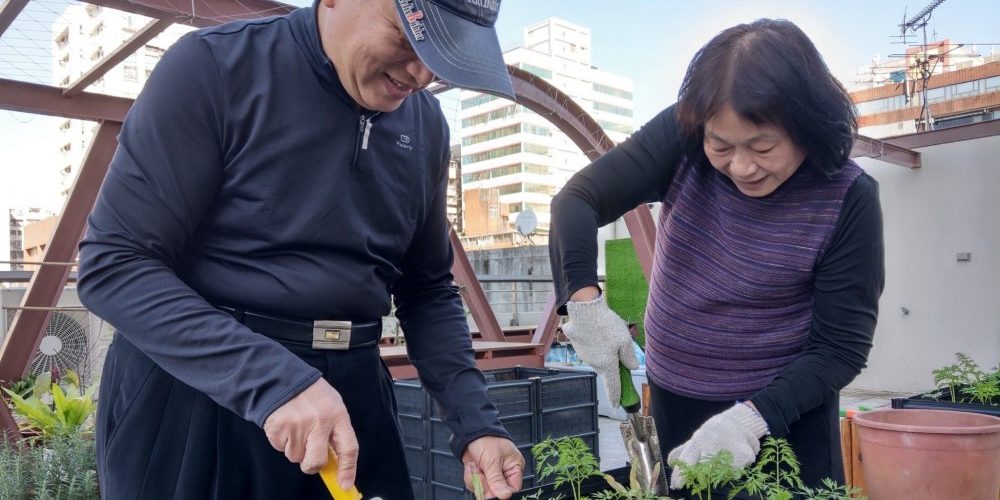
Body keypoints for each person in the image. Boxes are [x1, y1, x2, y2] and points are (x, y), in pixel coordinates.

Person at [77, 0, 525, 498]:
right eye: (407, 36)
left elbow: (427, 290)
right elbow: (114, 262)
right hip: (199, 395)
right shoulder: (215, 67)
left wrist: (476, 423)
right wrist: (272, 380)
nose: (420, 73)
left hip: (354, 394)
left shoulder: (426, 126)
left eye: (445, 52)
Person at [549, 18, 884, 493]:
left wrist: (750, 421)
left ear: (806, 127)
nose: (742, 167)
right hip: (676, 399)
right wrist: (583, 302)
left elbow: (840, 348)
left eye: (763, 146)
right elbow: (576, 201)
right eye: (721, 146)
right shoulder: (682, 135)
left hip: (785, 413)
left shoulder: (848, 197)